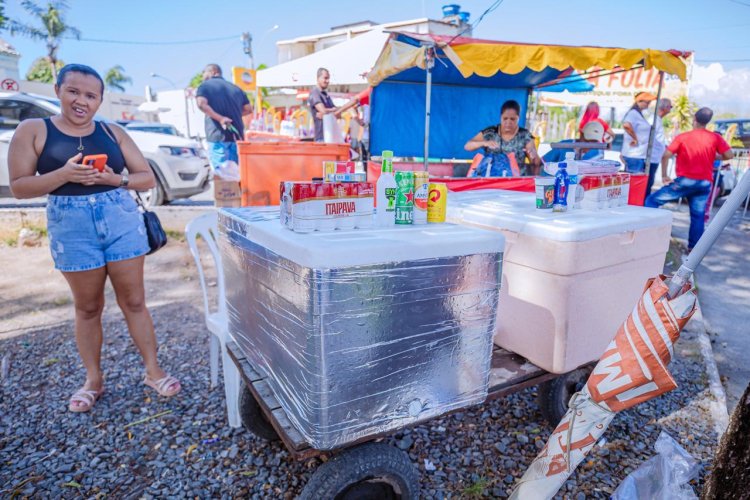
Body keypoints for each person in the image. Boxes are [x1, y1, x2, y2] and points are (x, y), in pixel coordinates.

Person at [7, 64, 181, 412]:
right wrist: (64, 174)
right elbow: (19, 187)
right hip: (71, 226)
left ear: (100, 100)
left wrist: (112, 180)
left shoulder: (112, 131)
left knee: (134, 301)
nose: (81, 100)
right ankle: (93, 380)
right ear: (58, 90)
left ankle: (153, 370)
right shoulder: (33, 130)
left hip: (120, 219)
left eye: (90, 95)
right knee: (88, 307)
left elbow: (145, 178)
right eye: (73, 91)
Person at [645, 107, 733, 252]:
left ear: (694, 119)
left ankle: (649, 234)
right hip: (704, 182)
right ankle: (693, 249)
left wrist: (664, 175)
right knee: (698, 217)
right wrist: (714, 156)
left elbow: (666, 155)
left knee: (651, 201)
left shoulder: (683, 137)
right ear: (707, 122)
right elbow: (729, 155)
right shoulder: (714, 137)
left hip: (685, 180)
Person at [196, 63, 252, 173]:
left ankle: (227, 190)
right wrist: (234, 114)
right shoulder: (236, 88)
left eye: (204, 74)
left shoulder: (205, 86)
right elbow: (248, 109)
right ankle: (237, 191)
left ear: (213, 72)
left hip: (217, 137)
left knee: (222, 176)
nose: (203, 77)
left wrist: (221, 118)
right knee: (236, 174)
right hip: (237, 137)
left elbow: (201, 104)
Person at [464, 99, 542, 175]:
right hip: (490, 180)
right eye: (505, 118)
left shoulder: (525, 135)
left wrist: (533, 154)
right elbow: (467, 146)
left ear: (518, 118)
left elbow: (536, 163)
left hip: (516, 182)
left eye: (512, 119)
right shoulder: (490, 132)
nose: (508, 122)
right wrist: (484, 143)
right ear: (500, 117)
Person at [621, 91, 657, 173]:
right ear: (639, 101)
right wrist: (635, 138)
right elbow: (626, 125)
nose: (648, 104)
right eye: (647, 102)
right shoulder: (633, 113)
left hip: (638, 154)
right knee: (634, 181)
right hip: (634, 155)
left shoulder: (638, 114)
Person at [542, 121, 607, 163]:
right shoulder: (563, 146)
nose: (590, 145)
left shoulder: (599, 153)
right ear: (581, 133)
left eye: (594, 142)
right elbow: (543, 162)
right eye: (587, 141)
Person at [646, 98, 673, 195]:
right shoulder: (652, 120)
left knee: (649, 185)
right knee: (646, 186)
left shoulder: (658, 120)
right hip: (650, 159)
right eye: (670, 106)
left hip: (655, 159)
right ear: (665, 107)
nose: (671, 109)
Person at [308, 67, 339, 142]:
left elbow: (338, 113)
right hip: (321, 137)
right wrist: (332, 111)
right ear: (318, 78)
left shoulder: (325, 94)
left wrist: (328, 112)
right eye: (325, 78)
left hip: (331, 135)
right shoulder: (315, 93)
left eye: (328, 78)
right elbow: (323, 110)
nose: (327, 81)